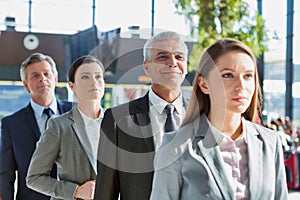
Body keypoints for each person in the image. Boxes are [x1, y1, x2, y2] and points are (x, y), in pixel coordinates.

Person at [150, 38, 288, 200]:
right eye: (228, 75)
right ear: (204, 84)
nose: (241, 86)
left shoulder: (270, 142)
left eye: (248, 76)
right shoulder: (175, 146)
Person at [94, 31, 189, 200]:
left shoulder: (204, 117)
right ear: (146, 67)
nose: (173, 63)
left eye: (179, 57)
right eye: (162, 57)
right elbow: (105, 190)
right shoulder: (117, 119)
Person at [26, 55, 105, 199]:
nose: (94, 82)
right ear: (72, 86)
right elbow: (34, 178)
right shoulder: (59, 126)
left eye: (98, 76)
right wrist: (75, 191)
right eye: (85, 77)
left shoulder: (116, 124)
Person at [0, 53, 73, 200]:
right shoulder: (11, 124)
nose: (42, 78)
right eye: (35, 75)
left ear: (56, 79)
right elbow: (5, 172)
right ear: (26, 85)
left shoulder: (76, 112)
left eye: (46, 73)